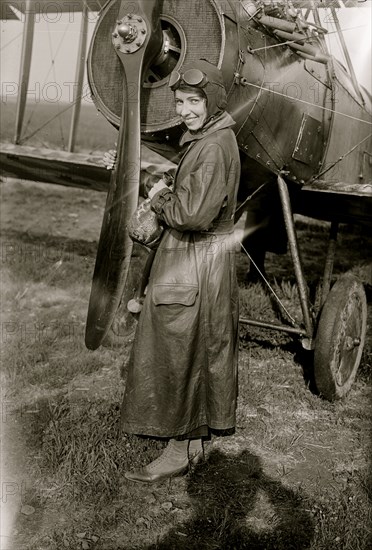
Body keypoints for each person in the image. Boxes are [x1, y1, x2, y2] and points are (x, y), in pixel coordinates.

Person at [119, 59, 241, 483]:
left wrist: (158, 198)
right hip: (200, 259)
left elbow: (190, 214)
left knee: (178, 350)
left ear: (214, 101)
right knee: (198, 351)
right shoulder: (210, 137)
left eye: (194, 101)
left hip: (194, 260)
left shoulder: (210, 146)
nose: (185, 110)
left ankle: (176, 448)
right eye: (180, 101)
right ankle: (192, 441)